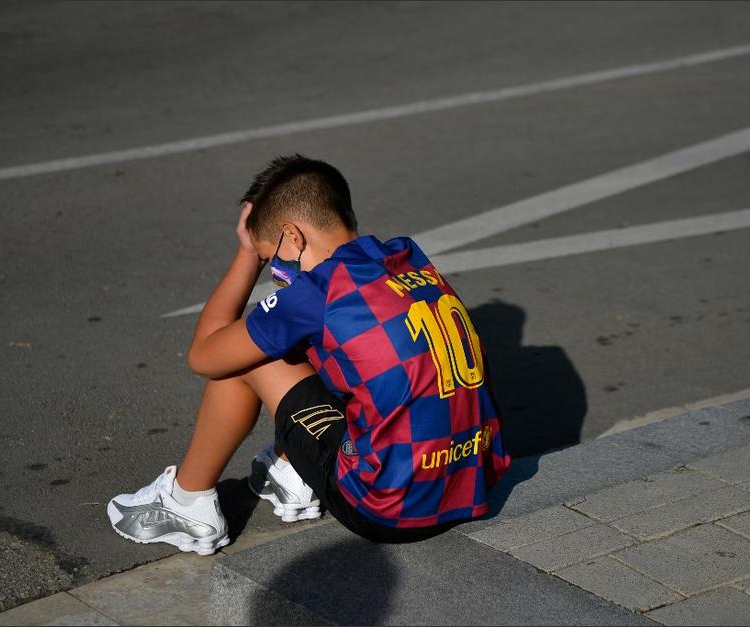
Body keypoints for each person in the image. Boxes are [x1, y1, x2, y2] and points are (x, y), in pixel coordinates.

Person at [107, 155, 510, 554]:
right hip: (470, 484)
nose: (273, 267)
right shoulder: (408, 260)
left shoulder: (317, 290)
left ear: (293, 236)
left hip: (389, 507)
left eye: (271, 256)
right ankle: (291, 471)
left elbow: (205, 354)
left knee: (247, 356)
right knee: (323, 347)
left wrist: (247, 254)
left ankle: (186, 500)